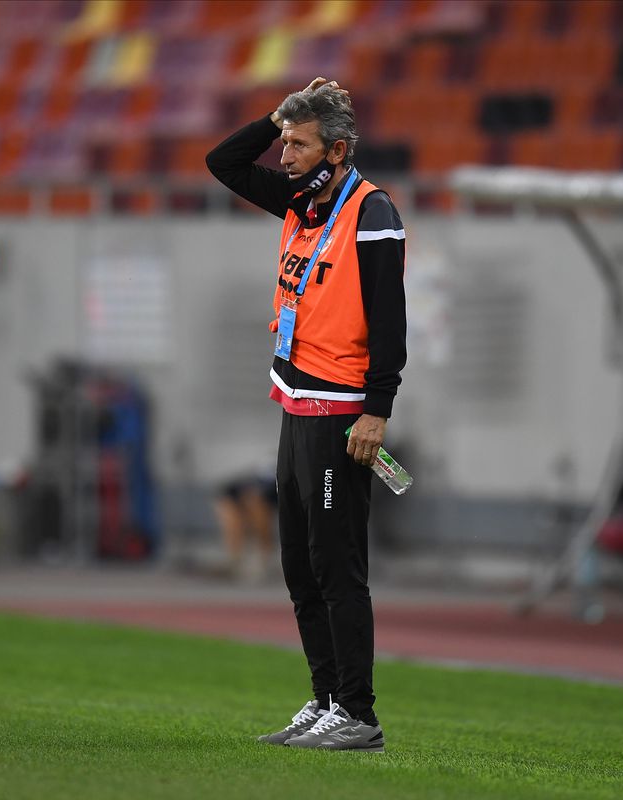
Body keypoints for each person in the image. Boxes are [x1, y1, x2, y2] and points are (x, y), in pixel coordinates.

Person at [206, 78, 407, 751]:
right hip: (296, 405)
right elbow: (223, 163)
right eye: (284, 143)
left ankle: (358, 712)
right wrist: (278, 115)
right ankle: (325, 701)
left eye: (298, 144)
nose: (284, 155)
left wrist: (377, 411)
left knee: (336, 565)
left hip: (341, 412)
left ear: (338, 150)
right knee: (299, 565)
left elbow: (390, 321)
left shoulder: (371, 211)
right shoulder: (300, 201)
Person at [213, 471, 277, 581]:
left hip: (261, 491)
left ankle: (262, 559)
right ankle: (236, 561)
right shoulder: (234, 496)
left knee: (261, 522)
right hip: (235, 492)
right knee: (235, 524)